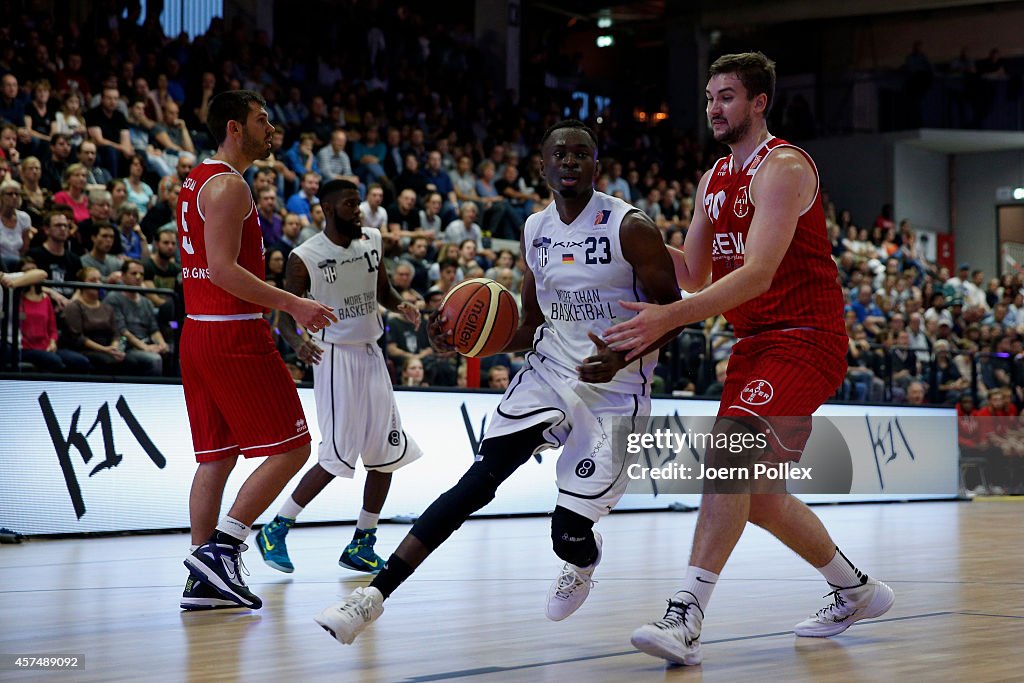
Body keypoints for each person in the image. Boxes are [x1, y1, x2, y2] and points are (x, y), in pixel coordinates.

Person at [315, 119, 682, 644]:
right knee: (476, 484)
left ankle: (582, 563)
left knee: (569, 533)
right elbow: (530, 323)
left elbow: (677, 313)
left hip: (614, 393)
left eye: (582, 154)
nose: (570, 162)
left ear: (598, 167)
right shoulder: (536, 229)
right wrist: (464, 342)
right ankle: (370, 598)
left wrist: (623, 358)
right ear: (543, 166)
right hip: (549, 373)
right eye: (560, 155)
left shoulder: (630, 227)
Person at [601, 52, 895, 666]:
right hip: (756, 343)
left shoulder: (783, 167)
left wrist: (669, 317)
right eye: (710, 97)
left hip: (805, 335)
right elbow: (694, 270)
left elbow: (758, 275)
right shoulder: (714, 179)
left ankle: (686, 614)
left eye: (728, 96)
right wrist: (621, 228)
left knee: (725, 454)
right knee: (757, 494)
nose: (714, 107)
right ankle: (855, 588)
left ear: (759, 102)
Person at [177, 90, 337, 612]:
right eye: (262, 120)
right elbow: (223, 270)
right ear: (234, 128)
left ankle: (203, 577)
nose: (272, 130)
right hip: (232, 333)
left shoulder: (196, 181)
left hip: (199, 332)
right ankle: (224, 549)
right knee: (292, 447)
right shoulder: (228, 186)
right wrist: (293, 304)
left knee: (216, 458)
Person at [255, 179, 423, 576]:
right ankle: (276, 528)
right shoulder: (305, 255)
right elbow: (285, 314)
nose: (358, 211)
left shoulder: (373, 241)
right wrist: (298, 345)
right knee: (336, 457)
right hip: (334, 358)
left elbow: (383, 293)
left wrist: (404, 307)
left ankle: (363, 543)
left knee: (385, 455)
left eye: (359, 203)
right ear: (327, 210)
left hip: (371, 353)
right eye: (350, 204)